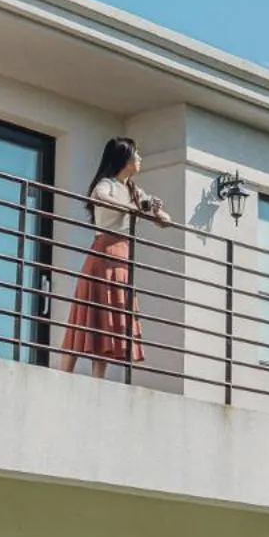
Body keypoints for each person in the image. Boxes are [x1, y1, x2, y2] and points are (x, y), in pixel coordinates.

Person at [52, 136, 170, 380]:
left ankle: (98, 381)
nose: (140, 159)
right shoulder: (107, 184)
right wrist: (133, 208)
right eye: (136, 155)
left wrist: (155, 209)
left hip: (123, 258)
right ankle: (63, 376)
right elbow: (99, 196)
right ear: (124, 158)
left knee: (107, 320)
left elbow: (165, 222)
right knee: (85, 315)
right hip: (104, 254)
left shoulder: (134, 191)